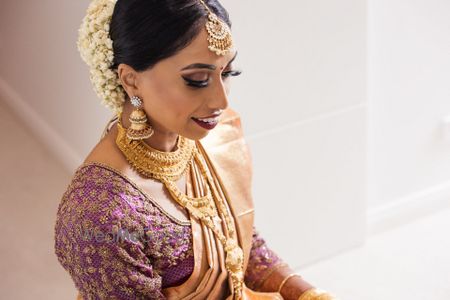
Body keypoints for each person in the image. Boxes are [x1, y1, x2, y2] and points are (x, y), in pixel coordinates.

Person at [54, 0, 339, 299]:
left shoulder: (208, 137)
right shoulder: (98, 216)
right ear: (130, 79)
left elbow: (238, 240)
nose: (221, 101)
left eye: (229, 72)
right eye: (197, 80)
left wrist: (306, 293)